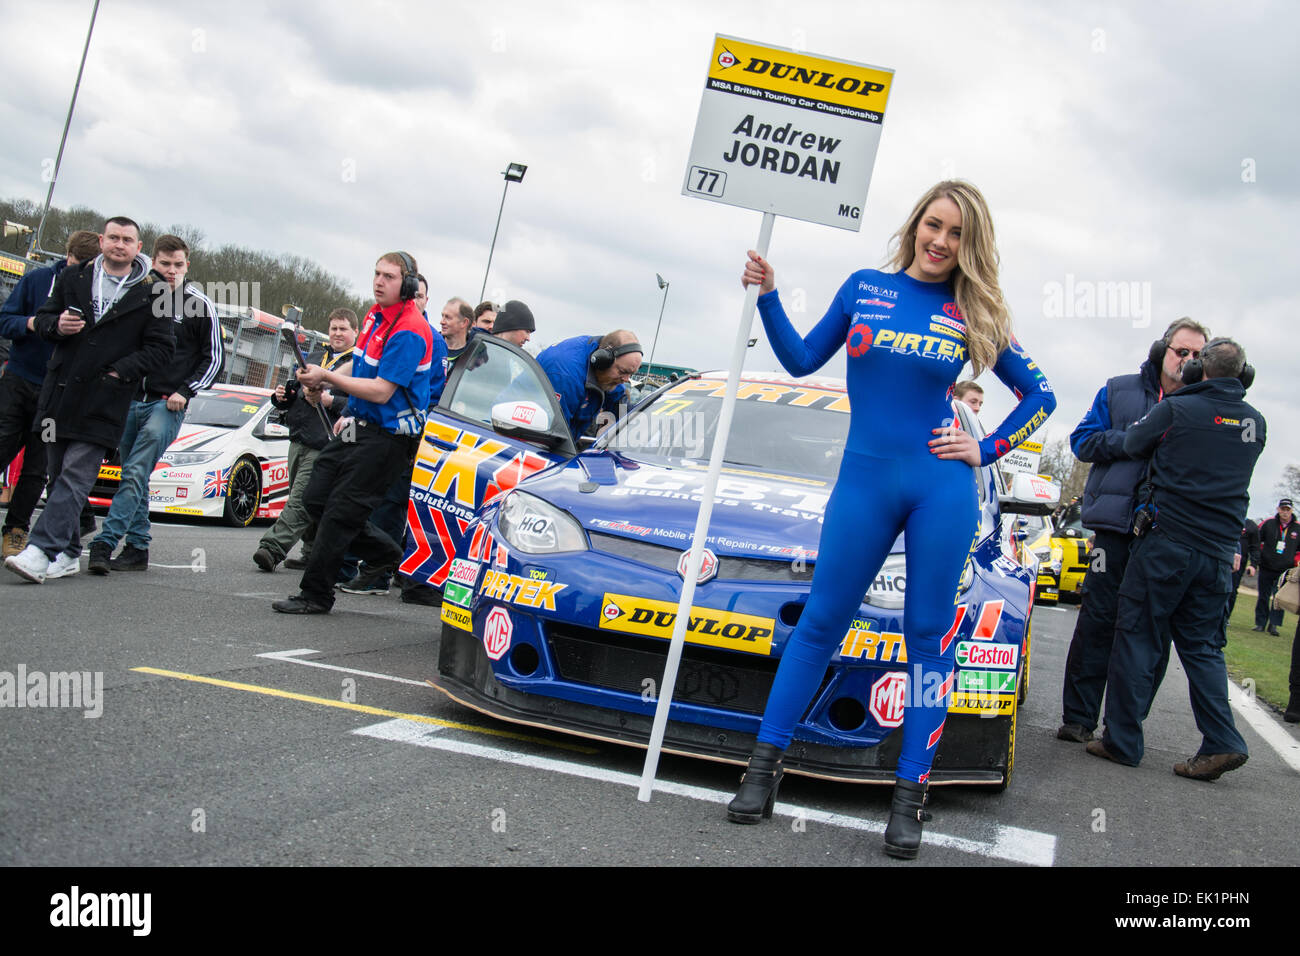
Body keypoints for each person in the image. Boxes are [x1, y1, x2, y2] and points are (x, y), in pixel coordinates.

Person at [726, 180, 1055, 859]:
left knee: (929, 642)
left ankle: (910, 800)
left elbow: (1041, 395)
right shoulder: (863, 287)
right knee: (820, 624)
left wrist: (986, 449)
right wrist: (767, 295)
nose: (941, 241)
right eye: (934, 225)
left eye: (957, 234)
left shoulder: (973, 310)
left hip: (941, 488)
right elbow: (797, 359)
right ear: (915, 225)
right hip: (864, 481)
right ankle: (762, 774)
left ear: (971, 245)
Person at [1087, 339, 1264, 780]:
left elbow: (1133, 443)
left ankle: (1122, 742)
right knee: (1203, 649)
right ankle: (1223, 740)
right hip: (1218, 556)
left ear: (1197, 370)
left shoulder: (1178, 408)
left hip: (1167, 547)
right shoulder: (1255, 422)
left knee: (1137, 637)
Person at [1056, 317, 1209, 743]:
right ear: (1163, 349)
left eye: (1199, 355)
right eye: (1183, 351)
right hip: (1115, 529)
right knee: (1099, 621)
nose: (1189, 361)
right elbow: (1083, 441)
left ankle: (1124, 727)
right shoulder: (1120, 389)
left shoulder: (1206, 406)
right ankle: (1078, 719)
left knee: (1150, 633)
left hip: (1169, 536)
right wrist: (1133, 440)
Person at [4, 216, 173, 583]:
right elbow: (46, 318)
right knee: (57, 473)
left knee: (76, 475)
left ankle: (40, 549)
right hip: (59, 394)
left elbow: (162, 348)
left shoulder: (156, 291)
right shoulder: (74, 277)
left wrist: (120, 371)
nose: (120, 244)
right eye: (113, 237)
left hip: (105, 401)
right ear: (101, 240)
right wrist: (55, 326)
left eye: (128, 239)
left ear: (137, 247)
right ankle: (67, 552)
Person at [270, 251, 433, 614]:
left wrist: (327, 377)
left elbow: (381, 390)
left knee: (340, 514)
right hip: (358, 427)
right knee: (315, 499)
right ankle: (387, 552)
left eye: (389, 276)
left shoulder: (409, 329)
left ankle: (316, 594)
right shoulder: (375, 316)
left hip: (388, 439)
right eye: (376, 273)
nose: (378, 281)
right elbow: (361, 375)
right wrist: (339, 404)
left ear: (406, 285)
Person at [88, 235, 223, 574]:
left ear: (187, 265)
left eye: (178, 265)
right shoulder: (139, 298)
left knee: (135, 470)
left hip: (168, 403)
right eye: (165, 264)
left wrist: (185, 391)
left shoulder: (199, 304)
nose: (171, 271)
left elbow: (213, 359)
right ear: (153, 263)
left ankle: (105, 542)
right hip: (131, 399)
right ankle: (138, 547)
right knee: (135, 474)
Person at [0, 229, 102, 559]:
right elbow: (6, 320)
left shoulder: (96, 292)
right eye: (76, 262)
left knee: (37, 464)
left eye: (87, 265)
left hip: (57, 393)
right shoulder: (38, 280)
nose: (80, 270)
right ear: (66, 257)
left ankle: (16, 529)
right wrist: (34, 324)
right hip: (19, 381)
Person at [252, 308, 357, 572]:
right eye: (333, 328)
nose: (337, 333)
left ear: (356, 332)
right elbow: (296, 388)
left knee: (300, 499)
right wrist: (283, 396)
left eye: (343, 328)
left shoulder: (359, 363)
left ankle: (272, 548)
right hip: (298, 437)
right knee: (311, 499)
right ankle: (312, 551)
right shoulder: (316, 355)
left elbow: (361, 403)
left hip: (326, 441)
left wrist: (331, 400)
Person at [536, 331, 641, 438]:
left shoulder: (609, 375)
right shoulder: (566, 376)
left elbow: (621, 409)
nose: (626, 379)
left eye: (631, 374)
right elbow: (553, 436)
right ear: (602, 359)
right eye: (623, 371)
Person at [1254, 499, 1299, 635]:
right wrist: (1258, 558)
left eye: (1287, 509)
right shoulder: (1268, 523)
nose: (1285, 512)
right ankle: (1260, 623)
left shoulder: (1298, 528)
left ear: (1291, 511)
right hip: (1266, 566)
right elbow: (1256, 541)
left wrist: (1295, 561)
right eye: (1283, 509)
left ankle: (1274, 625)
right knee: (1263, 596)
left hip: (1285, 569)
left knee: (1279, 598)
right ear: (1278, 509)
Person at [1227, 517, 1260, 617]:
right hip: (1222, 558)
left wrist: (1253, 565)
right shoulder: (1228, 518)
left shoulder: (1251, 526)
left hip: (1238, 564)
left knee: (1232, 590)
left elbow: (1255, 548)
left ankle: (1226, 617)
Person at [441, 297, 474, 371]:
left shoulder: (474, 354)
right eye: (442, 316)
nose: (442, 322)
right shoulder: (432, 344)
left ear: (464, 322)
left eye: (448, 317)